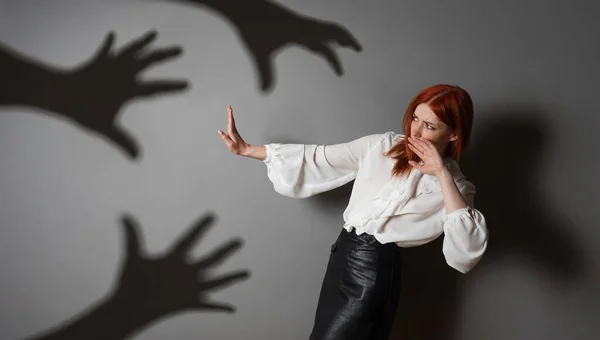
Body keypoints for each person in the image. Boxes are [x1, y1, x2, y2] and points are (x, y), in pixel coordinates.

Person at [217, 84, 489, 340]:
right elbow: (319, 158)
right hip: (342, 256)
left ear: (453, 134)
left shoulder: (457, 187)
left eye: (429, 126)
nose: (415, 132)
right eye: (415, 118)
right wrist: (247, 150)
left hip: (374, 271)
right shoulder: (382, 146)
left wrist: (441, 173)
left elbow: (465, 250)